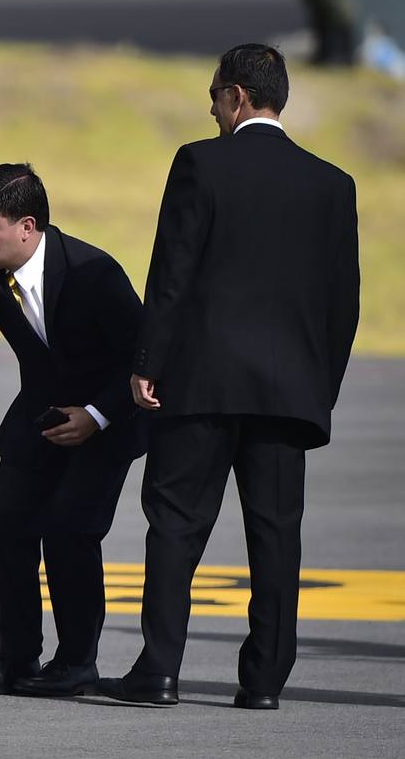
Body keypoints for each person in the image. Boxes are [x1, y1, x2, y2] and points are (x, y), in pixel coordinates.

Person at [98, 44, 359, 710]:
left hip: (201, 386)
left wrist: (146, 365)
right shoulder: (332, 184)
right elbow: (344, 302)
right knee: (276, 534)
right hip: (288, 394)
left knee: (177, 523)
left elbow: (172, 275)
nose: (211, 110)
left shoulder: (200, 164)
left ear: (237, 96)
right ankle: (266, 680)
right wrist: (317, 391)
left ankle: (159, 671)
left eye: (215, 97)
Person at [0, 163, 146, 698]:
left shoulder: (94, 271)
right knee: (5, 524)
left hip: (108, 421)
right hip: (41, 421)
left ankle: (77, 662)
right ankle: (16, 658)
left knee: (70, 528)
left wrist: (95, 416)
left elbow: (143, 356)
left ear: (27, 227)